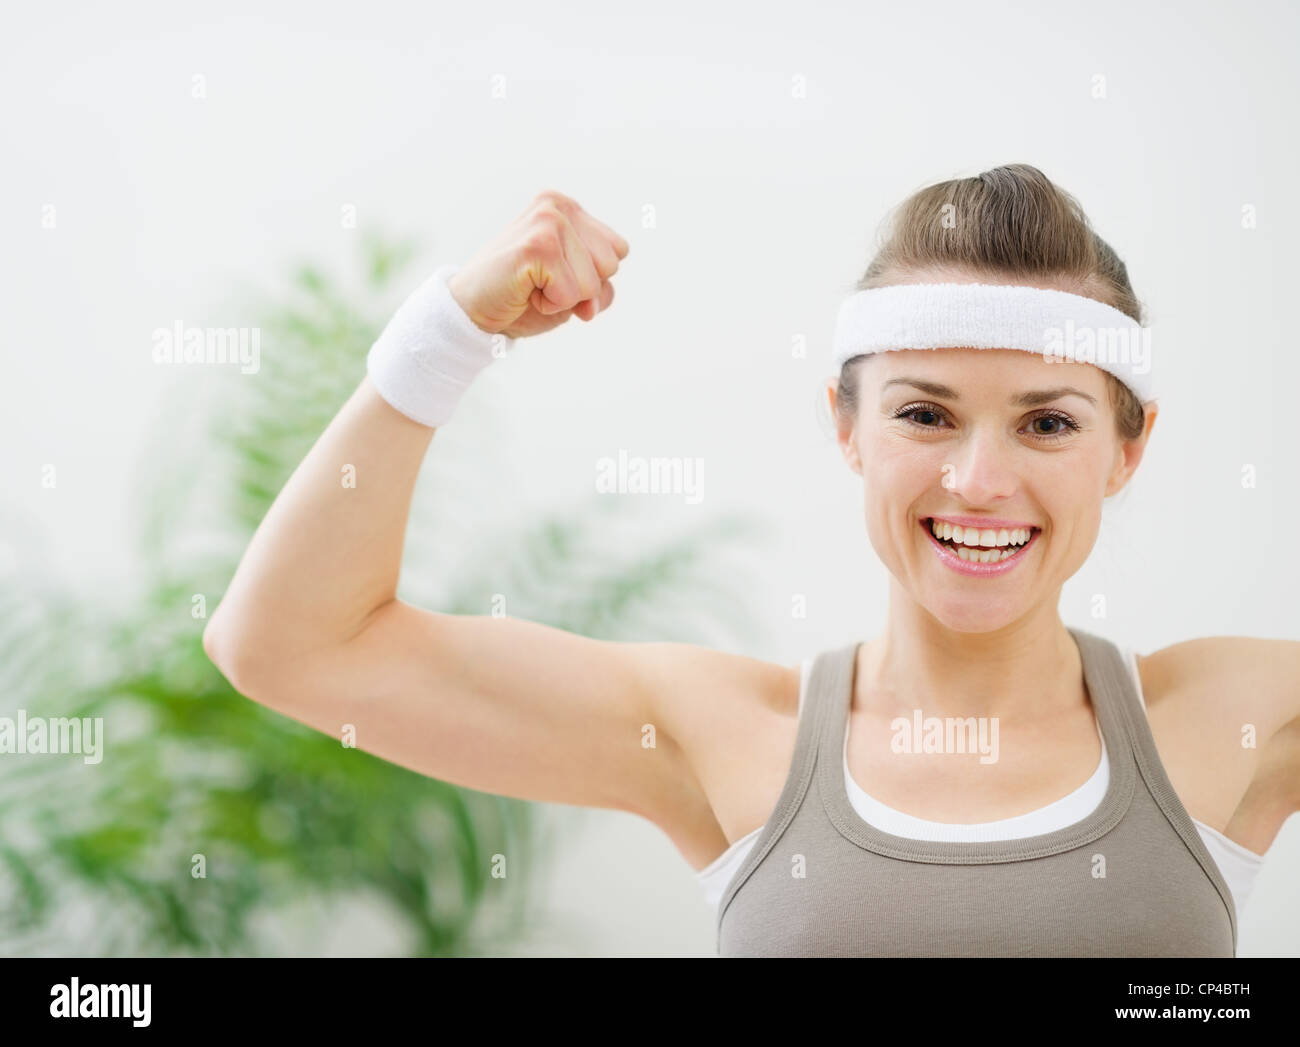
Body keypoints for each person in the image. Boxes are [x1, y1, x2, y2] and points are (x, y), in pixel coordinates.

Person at [203, 167, 1299, 957]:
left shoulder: (1228, 717)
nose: (977, 480)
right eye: (924, 413)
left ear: (1127, 449)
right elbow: (294, 648)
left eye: (1047, 425)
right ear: (845, 427)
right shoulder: (720, 736)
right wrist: (444, 336)